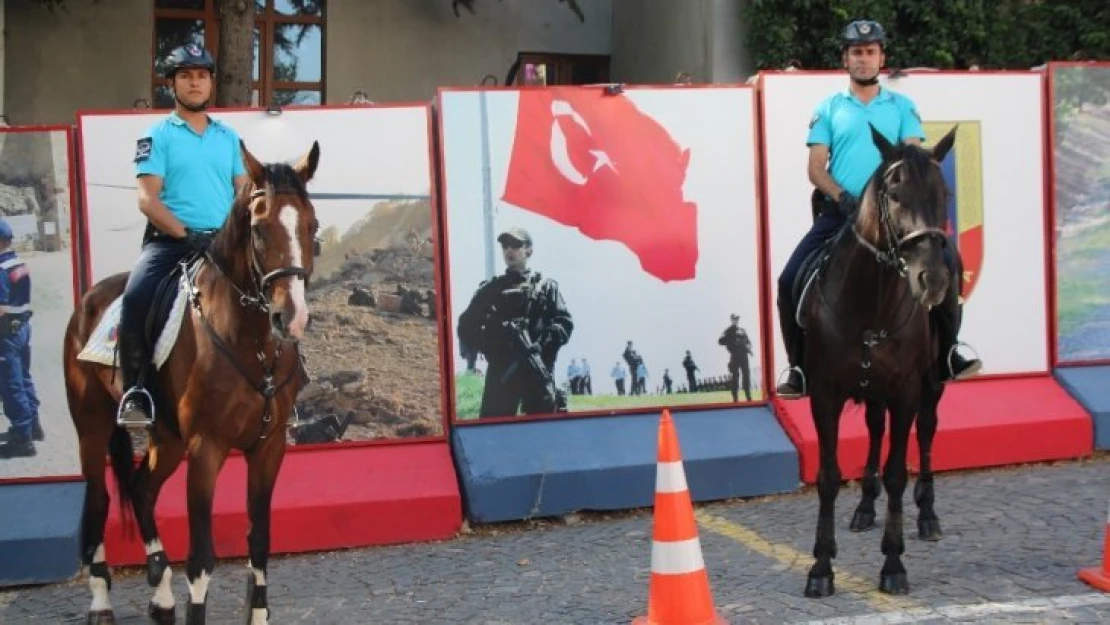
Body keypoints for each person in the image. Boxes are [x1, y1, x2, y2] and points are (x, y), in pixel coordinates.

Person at [775, 19, 982, 399]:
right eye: (857, 52)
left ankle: (949, 351)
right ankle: (799, 369)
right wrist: (841, 196)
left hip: (895, 216)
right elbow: (816, 168)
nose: (864, 59)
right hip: (841, 214)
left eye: (871, 52)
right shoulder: (829, 109)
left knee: (949, 262)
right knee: (789, 279)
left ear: (882, 57)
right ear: (846, 59)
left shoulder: (903, 106)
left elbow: (912, 156)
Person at [116, 44, 249, 428]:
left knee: (273, 293)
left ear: (211, 84)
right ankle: (136, 391)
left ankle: (285, 386)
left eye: (202, 76)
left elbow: (242, 191)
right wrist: (186, 235)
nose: (195, 83)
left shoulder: (228, 137)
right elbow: (147, 199)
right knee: (136, 297)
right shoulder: (157, 135)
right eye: (186, 76)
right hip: (171, 243)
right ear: (172, 84)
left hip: (223, 245)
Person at [457, 228, 573, 417]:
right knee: (494, 431)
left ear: (529, 250)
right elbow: (466, 325)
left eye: (516, 245)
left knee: (543, 433)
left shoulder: (546, 287)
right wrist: (491, 345)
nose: (509, 250)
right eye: (505, 246)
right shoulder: (491, 289)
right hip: (502, 372)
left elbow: (564, 323)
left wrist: (541, 345)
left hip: (536, 368)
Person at [0, 218, 42, 458]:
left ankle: (23, 438)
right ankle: (34, 425)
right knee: (24, 377)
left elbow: (1, 308)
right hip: (23, 326)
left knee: (11, 383)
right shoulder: (18, 263)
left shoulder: (0, 269)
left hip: (5, 332)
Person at [719, 313, 753, 402]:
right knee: (735, 376)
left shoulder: (742, 330)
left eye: (737, 319)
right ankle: (735, 397)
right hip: (734, 356)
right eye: (734, 319)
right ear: (731, 320)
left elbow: (748, 341)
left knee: (746, 375)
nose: (736, 320)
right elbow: (721, 341)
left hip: (744, 356)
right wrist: (732, 341)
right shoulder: (728, 330)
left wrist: (748, 346)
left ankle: (748, 395)